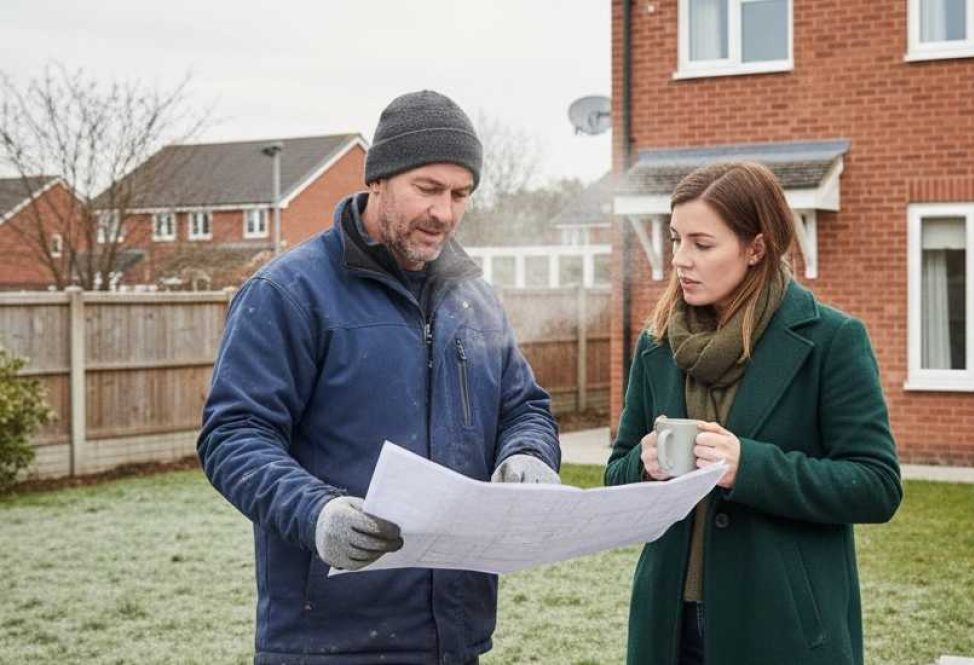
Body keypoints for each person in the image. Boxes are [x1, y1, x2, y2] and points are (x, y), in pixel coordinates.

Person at [198, 90, 561, 665]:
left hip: (453, 637)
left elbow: (524, 408)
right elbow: (233, 437)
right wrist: (317, 512)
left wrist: (530, 453)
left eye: (461, 194)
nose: (445, 212)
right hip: (328, 642)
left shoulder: (473, 296)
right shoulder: (288, 295)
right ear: (379, 180)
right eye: (428, 189)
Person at [604, 161, 902, 664]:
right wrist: (643, 464)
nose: (680, 259)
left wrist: (750, 467)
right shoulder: (655, 346)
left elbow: (876, 486)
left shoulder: (830, 340)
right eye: (676, 239)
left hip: (781, 626)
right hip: (668, 626)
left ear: (756, 248)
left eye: (702, 244)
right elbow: (616, 476)